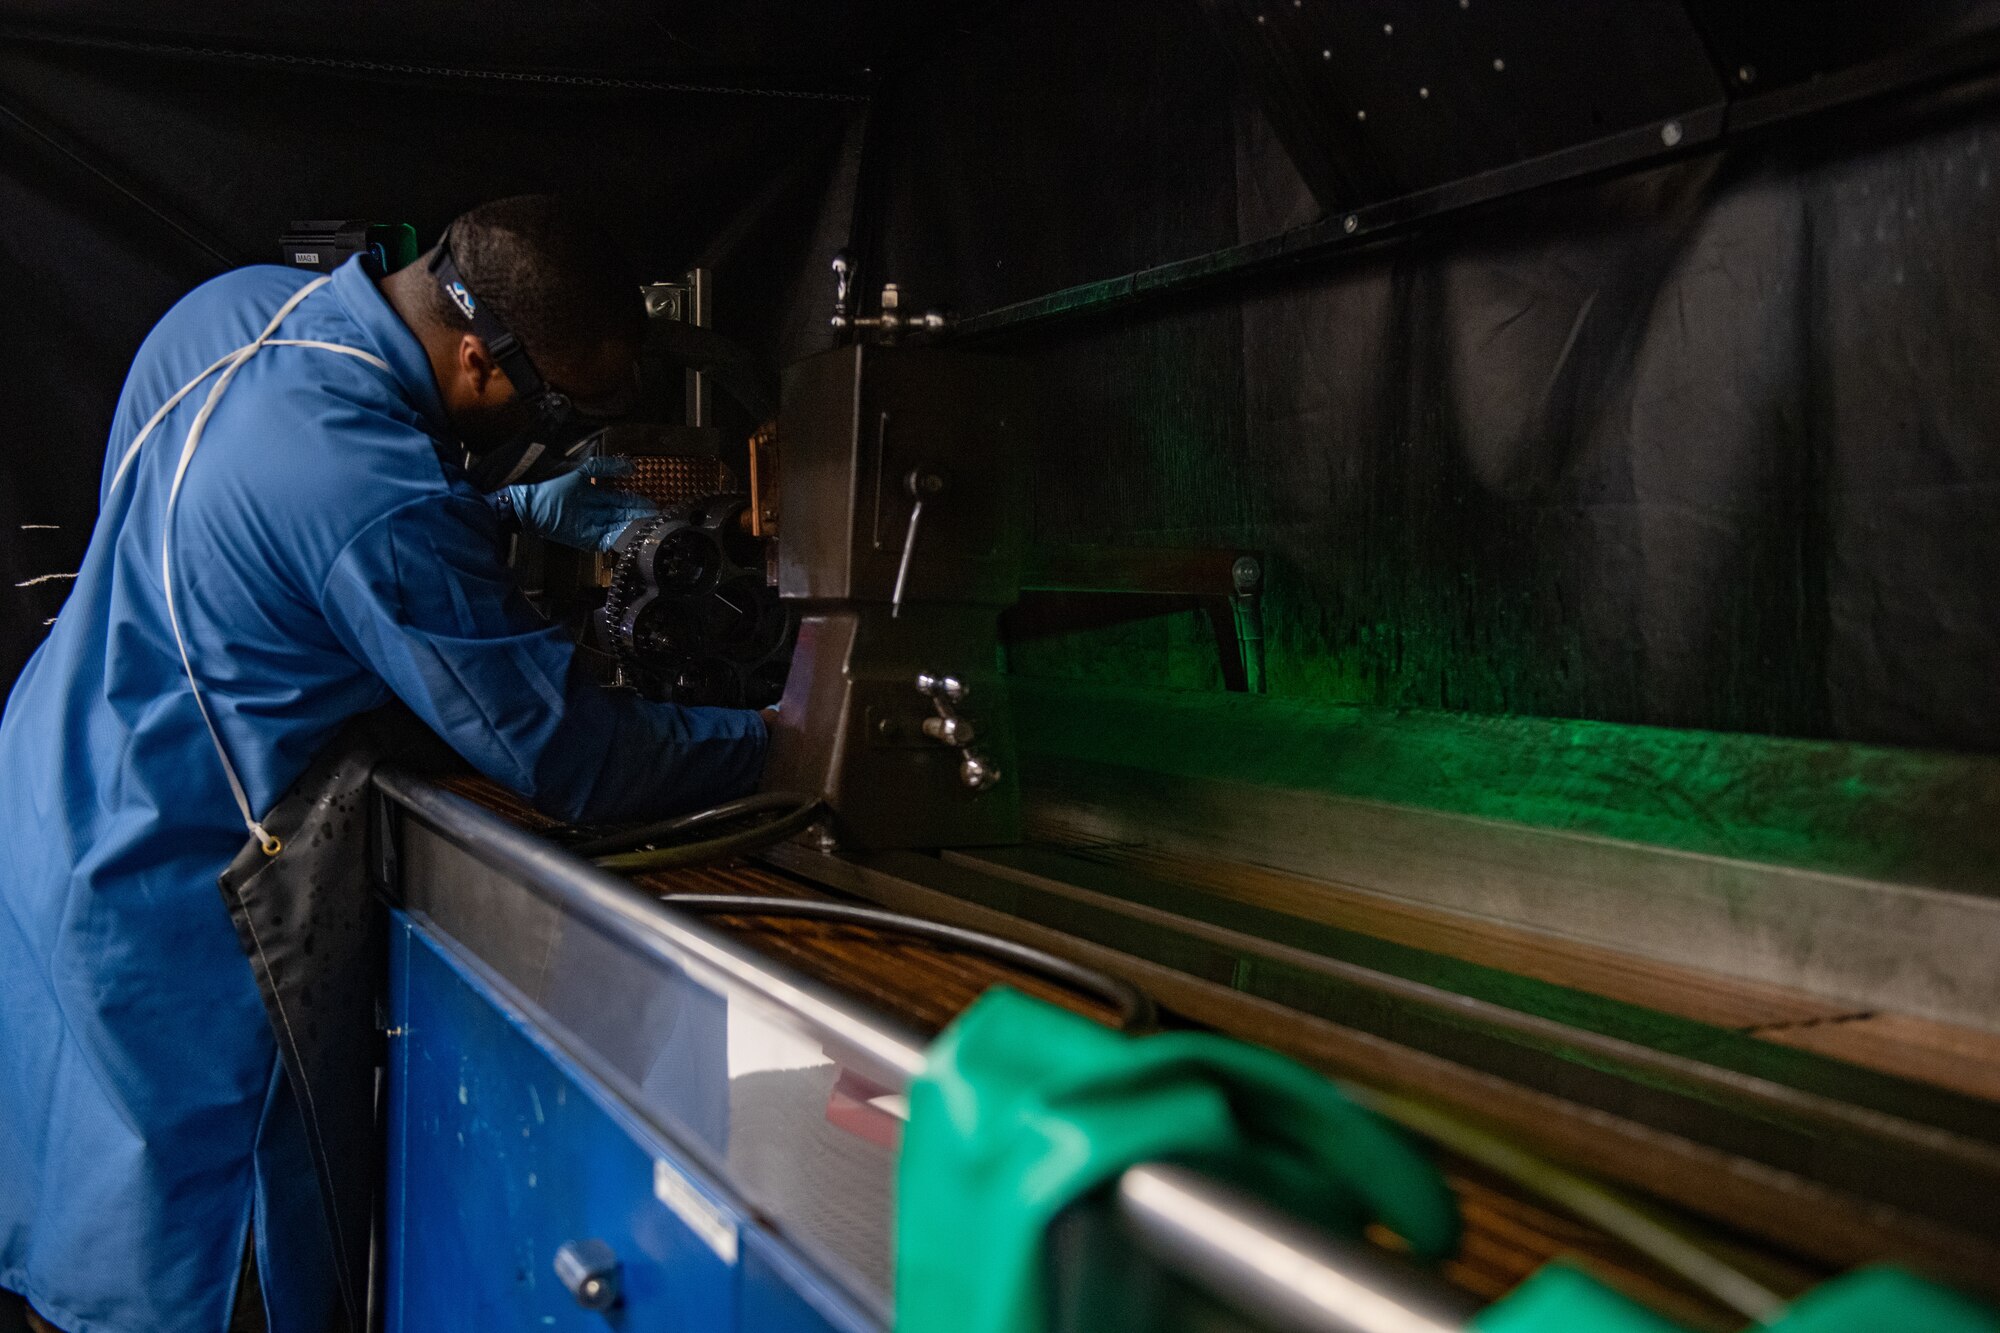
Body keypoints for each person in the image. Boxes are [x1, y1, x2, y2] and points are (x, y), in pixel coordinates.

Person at [0, 196, 770, 1333]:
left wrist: (499, 510)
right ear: (476, 356)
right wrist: (781, 737)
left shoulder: (234, 311)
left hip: (53, 791)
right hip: (175, 878)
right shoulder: (378, 494)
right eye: (550, 406)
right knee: (197, 1251)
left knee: (74, 1175)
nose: (546, 427)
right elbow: (563, 754)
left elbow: (262, 524)